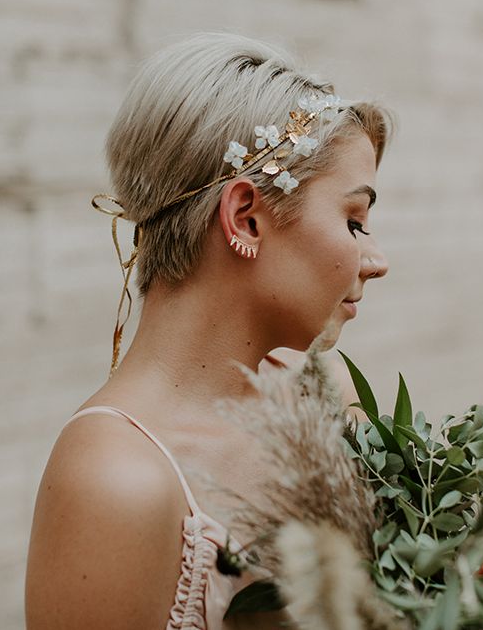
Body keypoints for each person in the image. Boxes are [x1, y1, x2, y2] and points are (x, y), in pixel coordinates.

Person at [24, 32, 390, 629]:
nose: (375, 261)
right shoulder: (114, 484)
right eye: (353, 221)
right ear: (246, 217)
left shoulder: (328, 395)